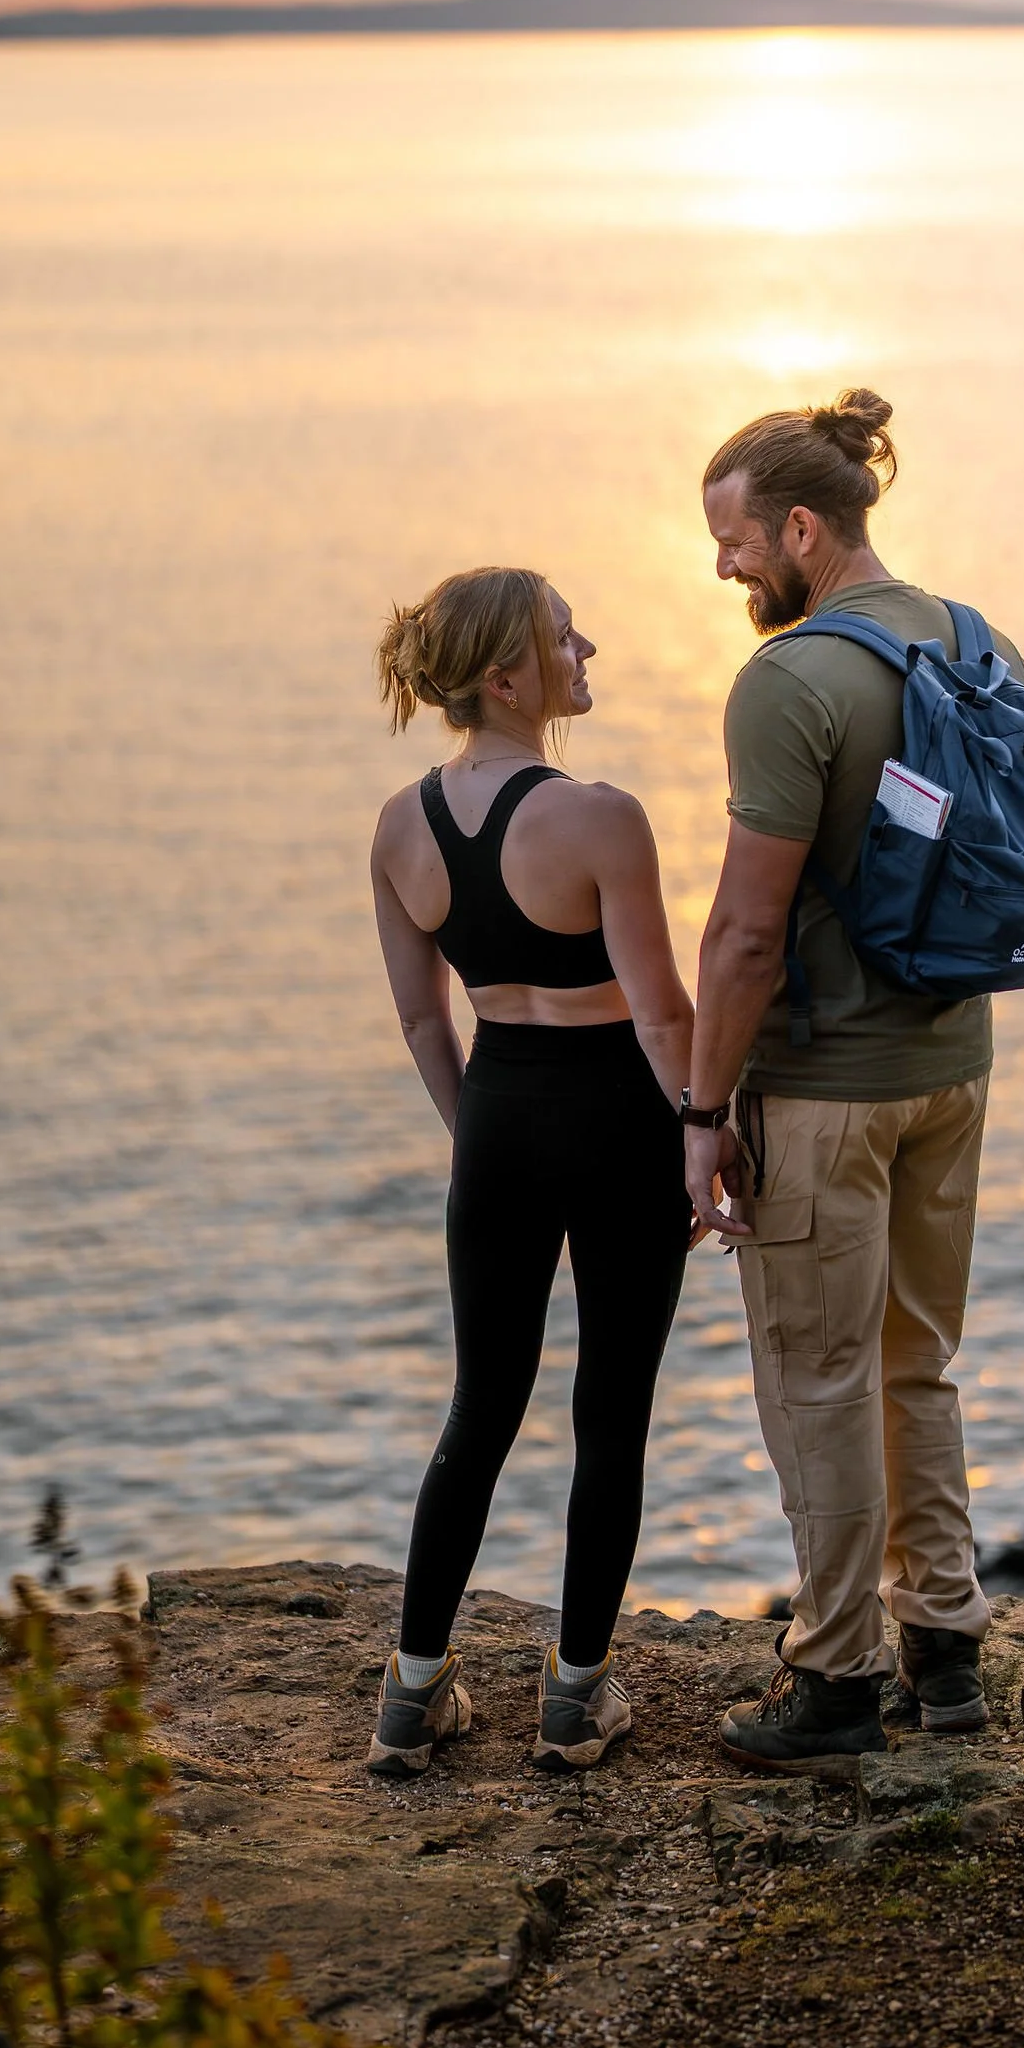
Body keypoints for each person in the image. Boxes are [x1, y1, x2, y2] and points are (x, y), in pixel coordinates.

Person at [679, 390, 1024, 1766]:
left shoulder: (789, 681)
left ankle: (831, 1676)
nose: (721, 569)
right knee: (914, 1365)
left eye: (731, 541)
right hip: (955, 1065)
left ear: (803, 529)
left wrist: (703, 1114)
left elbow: (746, 932)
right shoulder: (968, 635)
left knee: (816, 1380)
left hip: (826, 1092)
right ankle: (943, 1652)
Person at [365, 565, 696, 1778]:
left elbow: (418, 1022)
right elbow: (662, 1017)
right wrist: (707, 1130)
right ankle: (573, 1699)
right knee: (609, 1417)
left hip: (497, 1114)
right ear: (508, 675)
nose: (587, 643)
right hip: (620, 1121)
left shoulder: (401, 825)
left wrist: (476, 1140)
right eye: (565, 635)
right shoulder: (599, 815)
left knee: (478, 1410)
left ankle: (410, 1695)